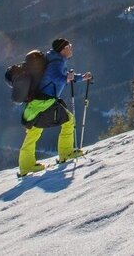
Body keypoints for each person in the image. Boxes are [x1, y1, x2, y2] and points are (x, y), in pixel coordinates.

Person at [18, 38, 92, 177]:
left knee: (34, 131)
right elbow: (55, 76)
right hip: (45, 102)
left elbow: (63, 76)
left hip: (37, 102)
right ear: (62, 49)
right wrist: (66, 78)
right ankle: (66, 153)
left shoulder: (53, 59)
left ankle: (26, 166)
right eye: (69, 46)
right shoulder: (56, 62)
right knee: (68, 120)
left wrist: (80, 77)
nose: (71, 48)